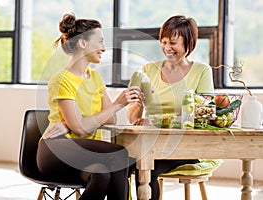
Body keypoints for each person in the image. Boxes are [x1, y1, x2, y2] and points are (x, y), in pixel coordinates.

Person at [36, 13, 143, 200]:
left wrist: (78, 123)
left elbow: (111, 119)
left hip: (84, 153)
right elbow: (79, 130)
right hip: (56, 149)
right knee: (119, 153)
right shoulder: (62, 80)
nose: (103, 48)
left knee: (101, 174)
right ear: (82, 43)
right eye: (100, 41)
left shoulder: (95, 77)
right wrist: (116, 104)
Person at [127, 15, 214, 200]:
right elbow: (132, 117)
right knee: (119, 165)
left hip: (186, 145)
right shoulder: (147, 70)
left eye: (173, 42)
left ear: (188, 43)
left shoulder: (201, 71)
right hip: (151, 144)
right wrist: (139, 104)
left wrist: (157, 122)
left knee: (147, 168)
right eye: (164, 41)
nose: (167, 47)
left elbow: (203, 117)